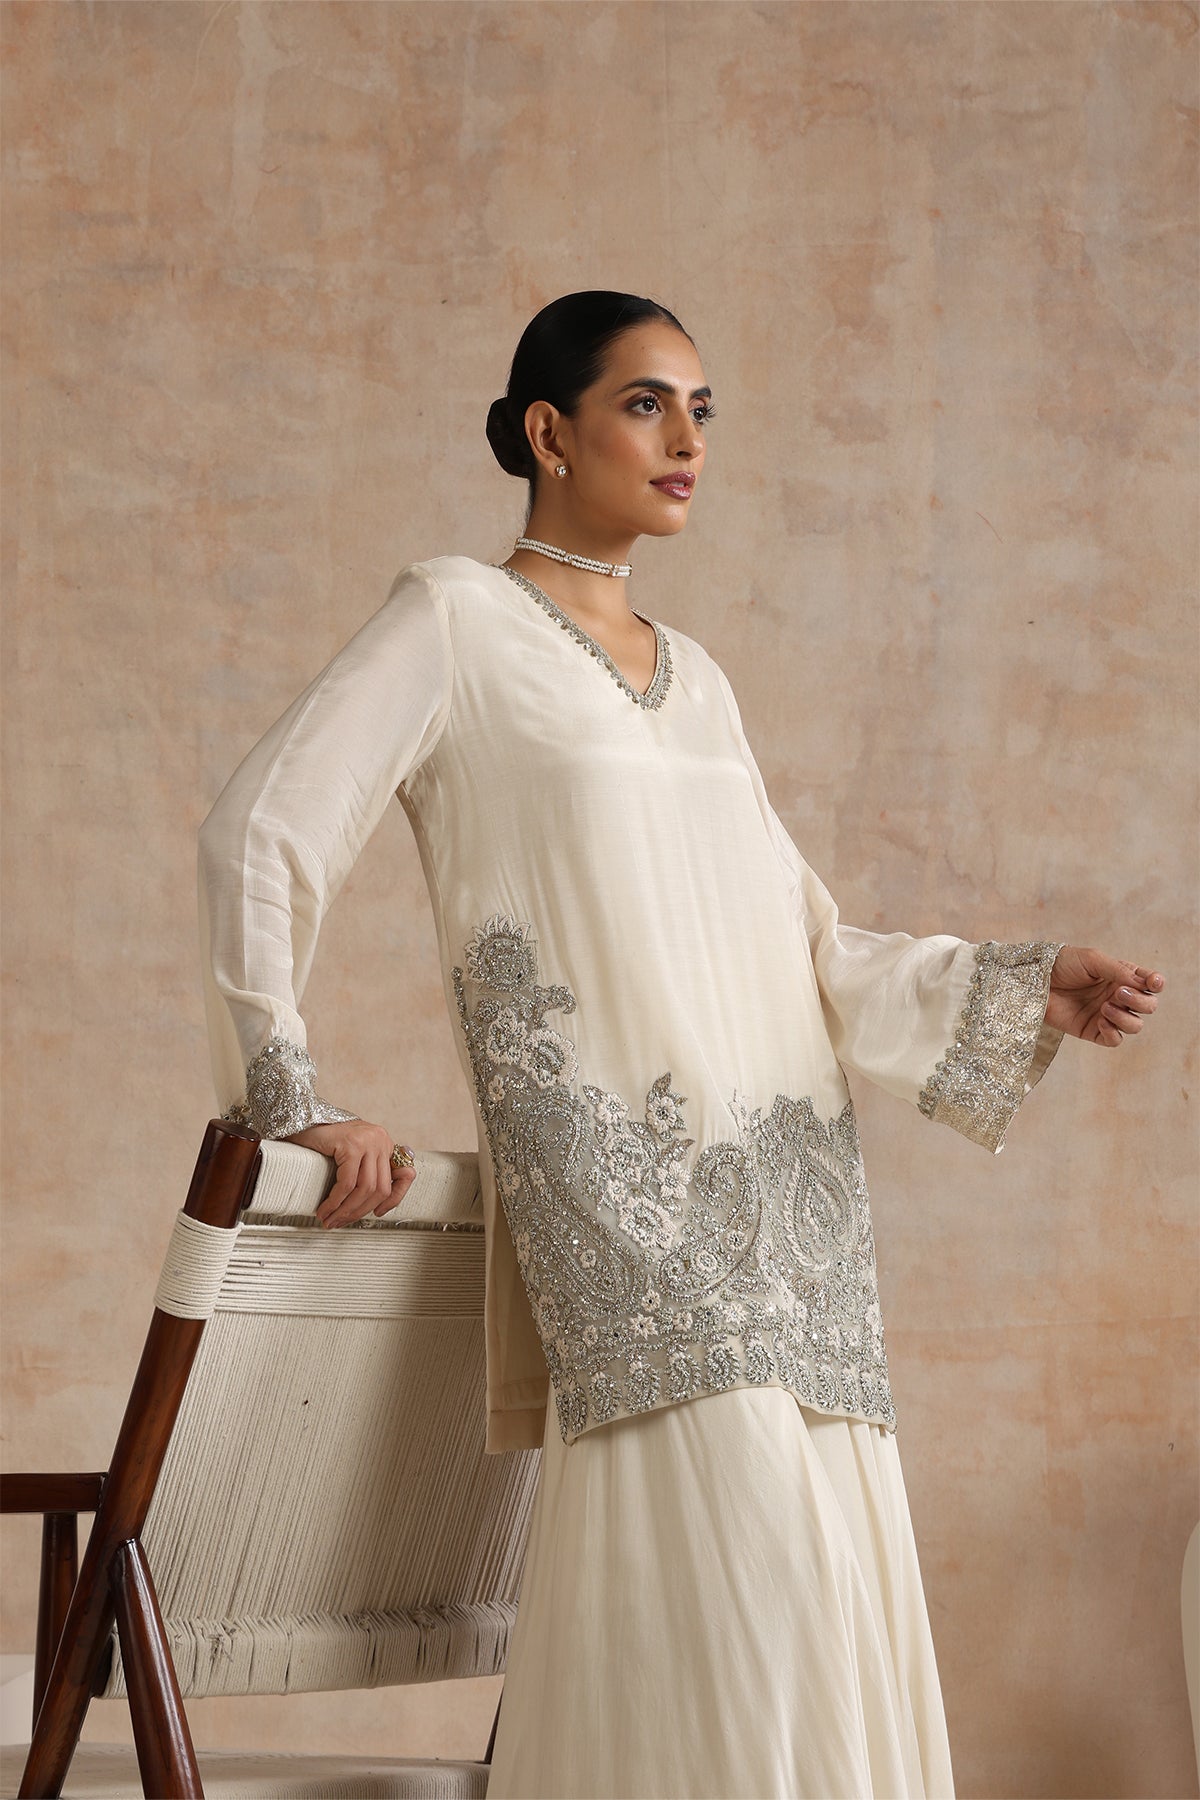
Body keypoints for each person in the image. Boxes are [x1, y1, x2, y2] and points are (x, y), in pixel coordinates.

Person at [197, 290, 1165, 1800]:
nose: (686, 440)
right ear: (549, 430)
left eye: (702, 410)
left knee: (818, 1603)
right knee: (735, 1597)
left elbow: (802, 940)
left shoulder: (695, 675)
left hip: (791, 1232)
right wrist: (287, 1093)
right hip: (628, 1217)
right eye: (647, 404)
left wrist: (1015, 987)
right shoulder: (452, 620)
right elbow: (263, 831)